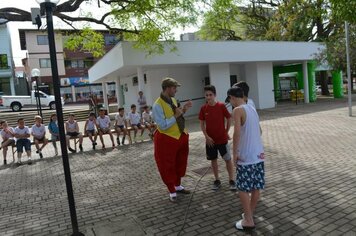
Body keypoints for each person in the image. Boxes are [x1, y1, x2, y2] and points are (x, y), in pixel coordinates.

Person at [228, 87, 265, 231]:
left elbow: (236, 133)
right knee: (256, 186)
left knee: (242, 188)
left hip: (246, 156)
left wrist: (235, 152)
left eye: (230, 100)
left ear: (232, 98)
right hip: (258, 155)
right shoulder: (252, 108)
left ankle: (248, 220)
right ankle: (248, 214)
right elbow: (260, 131)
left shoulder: (237, 110)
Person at [152, 77, 193, 202]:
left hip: (180, 136)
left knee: (180, 162)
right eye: (174, 88)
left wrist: (184, 109)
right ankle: (172, 191)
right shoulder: (157, 105)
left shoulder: (173, 100)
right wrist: (176, 115)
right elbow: (162, 125)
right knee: (167, 165)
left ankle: (178, 185)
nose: (176, 90)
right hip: (166, 139)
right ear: (168, 88)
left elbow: (178, 115)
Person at [199, 85, 236, 191]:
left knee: (228, 159)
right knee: (213, 160)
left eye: (210, 95)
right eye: (207, 95)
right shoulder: (203, 108)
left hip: (222, 139)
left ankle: (232, 180)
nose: (209, 97)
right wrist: (206, 137)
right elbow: (202, 124)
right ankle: (217, 180)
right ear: (204, 96)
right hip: (210, 141)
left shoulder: (221, 106)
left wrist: (226, 131)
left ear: (215, 95)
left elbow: (229, 118)